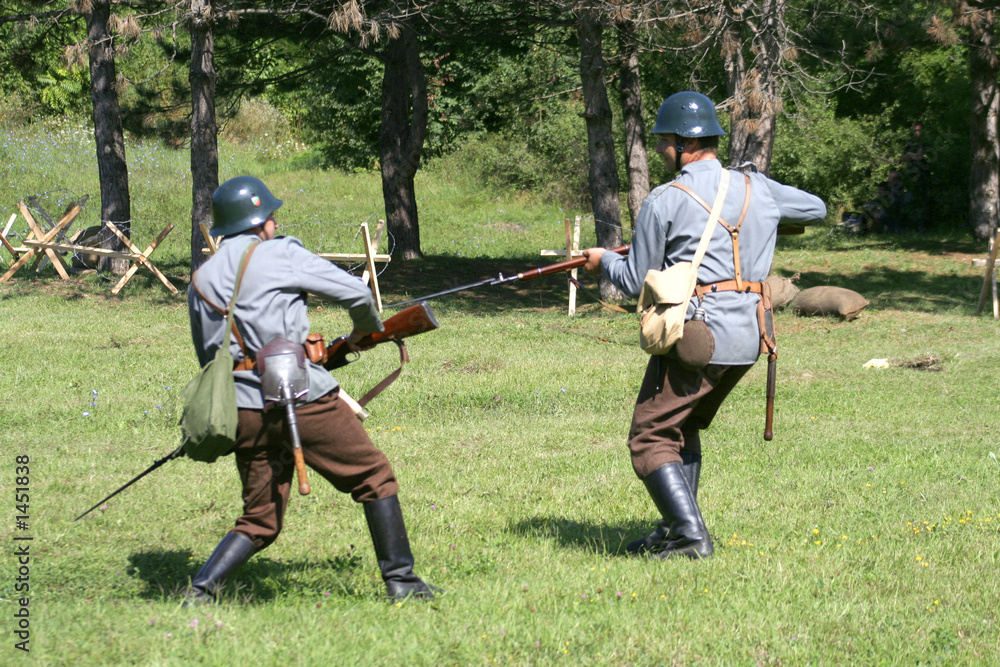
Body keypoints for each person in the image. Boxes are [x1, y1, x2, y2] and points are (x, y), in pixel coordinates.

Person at [582, 91, 826, 559]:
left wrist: (602, 261)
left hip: (699, 337)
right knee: (683, 424)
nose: (658, 151)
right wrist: (760, 198)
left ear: (680, 142)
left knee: (649, 436)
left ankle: (691, 538)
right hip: (754, 337)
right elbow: (815, 208)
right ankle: (676, 529)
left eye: (662, 142)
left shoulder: (665, 200)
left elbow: (634, 279)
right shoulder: (758, 188)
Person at [184, 176, 436, 604]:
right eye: (272, 217)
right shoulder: (279, 252)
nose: (275, 224)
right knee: (375, 477)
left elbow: (209, 356)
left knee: (260, 517)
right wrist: (364, 332)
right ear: (262, 221)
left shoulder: (202, 279)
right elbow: (356, 291)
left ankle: (202, 589)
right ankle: (404, 584)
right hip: (299, 396)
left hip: (240, 407)